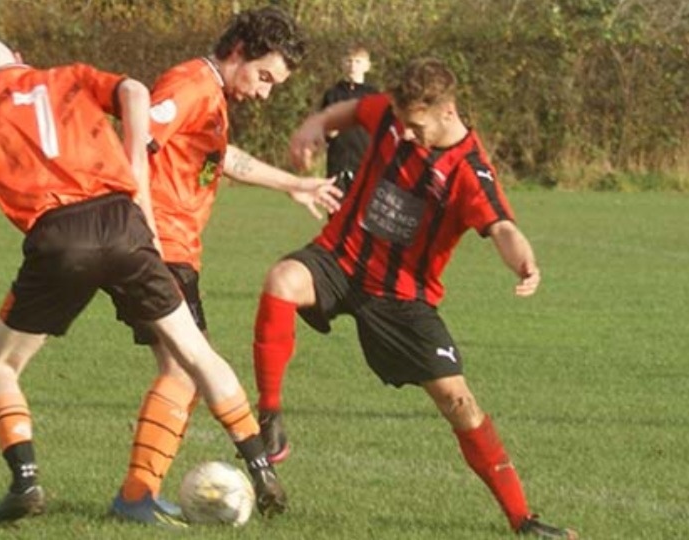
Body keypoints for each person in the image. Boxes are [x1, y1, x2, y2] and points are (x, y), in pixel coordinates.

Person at [0, 34, 286, 528]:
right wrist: (132, 167)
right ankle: (258, 466)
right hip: (126, 224)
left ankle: (26, 482)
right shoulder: (69, 76)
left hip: (60, 237)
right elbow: (135, 93)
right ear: (19, 59)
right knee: (195, 354)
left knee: (0, 366)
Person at [250, 57, 578, 538]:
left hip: (402, 298)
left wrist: (524, 262)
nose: (404, 133)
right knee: (282, 280)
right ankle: (270, 416)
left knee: (459, 402)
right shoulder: (388, 112)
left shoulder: (468, 170)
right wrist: (312, 127)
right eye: (400, 123)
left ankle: (521, 518)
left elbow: (502, 227)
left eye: (415, 125)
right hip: (339, 259)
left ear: (447, 111)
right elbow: (344, 113)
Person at [111, 5, 341, 526]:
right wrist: (144, 227)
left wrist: (294, 183)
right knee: (186, 371)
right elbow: (134, 142)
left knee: (186, 373)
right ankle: (135, 498)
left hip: (175, 251)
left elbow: (222, 158)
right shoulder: (190, 85)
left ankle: (138, 496)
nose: (264, 92)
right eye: (263, 76)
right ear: (238, 50)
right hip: (159, 248)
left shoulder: (209, 95)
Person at [319, 45, 378, 192]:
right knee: (335, 205)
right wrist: (328, 132)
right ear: (342, 64)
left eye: (358, 62)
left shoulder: (373, 95)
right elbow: (323, 126)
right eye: (349, 61)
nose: (353, 66)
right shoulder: (333, 94)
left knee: (362, 208)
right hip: (338, 159)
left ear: (367, 66)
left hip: (364, 159)